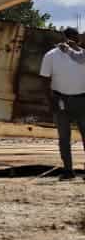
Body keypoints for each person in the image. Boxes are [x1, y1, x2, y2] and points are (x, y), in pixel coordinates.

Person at [41, 27, 85, 180]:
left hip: (82, 100)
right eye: (72, 37)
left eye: (76, 37)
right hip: (61, 101)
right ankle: (68, 171)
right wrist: (50, 101)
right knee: (64, 138)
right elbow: (45, 79)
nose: (75, 39)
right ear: (65, 38)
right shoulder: (51, 56)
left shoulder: (82, 55)